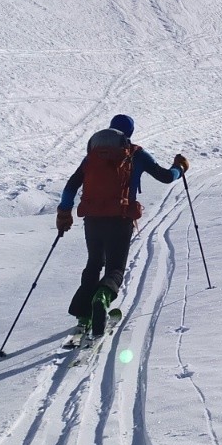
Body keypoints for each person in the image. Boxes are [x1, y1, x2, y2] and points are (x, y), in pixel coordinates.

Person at [57, 113, 188, 337]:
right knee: (115, 267)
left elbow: (71, 185)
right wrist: (180, 168)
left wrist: (64, 212)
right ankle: (102, 298)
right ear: (130, 133)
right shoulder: (136, 154)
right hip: (120, 219)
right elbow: (165, 177)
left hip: (93, 219)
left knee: (94, 263)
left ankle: (84, 314)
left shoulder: (92, 156)